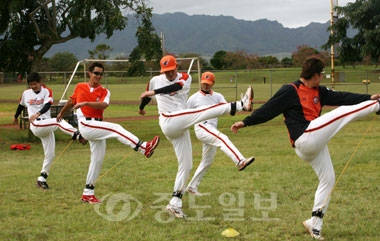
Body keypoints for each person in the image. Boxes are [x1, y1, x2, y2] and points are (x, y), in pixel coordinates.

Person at [230, 55, 380, 240]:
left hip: (314, 142)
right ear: (315, 75)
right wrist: (245, 122)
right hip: (305, 138)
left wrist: (367, 97)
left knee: (328, 180)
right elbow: (269, 108)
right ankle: (377, 106)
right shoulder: (290, 90)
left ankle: (314, 224)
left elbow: (341, 96)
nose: (322, 78)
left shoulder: (320, 91)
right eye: (322, 74)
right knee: (340, 113)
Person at [139, 55, 254, 218]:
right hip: (168, 120)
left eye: (171, 71)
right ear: (161, 70)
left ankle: (175, 203)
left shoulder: (186, 77)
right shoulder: (155, 80)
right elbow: (146, 97)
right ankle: (242, 104)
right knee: (202, 111)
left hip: (180, 125)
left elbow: (175, 87)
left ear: (176, 67)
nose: (169, 74)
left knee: (186, 165)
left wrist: (154, 91)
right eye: (165, 72)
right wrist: (141, 108)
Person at [56, 62, 160, 204]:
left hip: (96, 125)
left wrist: (86, 103)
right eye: (96, 73)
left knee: (97, 160)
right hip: (86, 124)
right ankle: (143, 147)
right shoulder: (80, 86)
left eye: (101, 74)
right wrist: (61, 113)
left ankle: (88, 193)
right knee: (116, 128)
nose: (98, 76)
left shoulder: (105, 91)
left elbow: (104, 105)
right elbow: (71, 101)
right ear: (89, 73)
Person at [13, 72, 87, 190]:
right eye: (31, 84)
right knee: (58, 121)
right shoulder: (26, 93)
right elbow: (21, 105)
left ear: (40, 82)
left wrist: (38, 113)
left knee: (50, 154)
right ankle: (76, 134)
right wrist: (16, 116)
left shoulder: (46, 91)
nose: (33, 86)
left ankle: (42, 179)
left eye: (35, 84)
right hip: (36, 125)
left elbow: (48, 105)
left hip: (46, 124)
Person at [185, 71, 254, 196]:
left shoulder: (218, 96)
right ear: (201, 82)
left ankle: (192, 187)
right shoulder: (193, 98)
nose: (206, 86)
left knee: (207, 160)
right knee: (222, 139)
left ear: (213, 84)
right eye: (204, 83)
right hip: (201, 127)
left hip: (212, 128)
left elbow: (229, 110)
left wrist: (241, 108)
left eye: (208, 84)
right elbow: (185, 114)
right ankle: (240, 161)